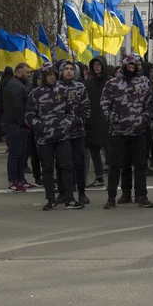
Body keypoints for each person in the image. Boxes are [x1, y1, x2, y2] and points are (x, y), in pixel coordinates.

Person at [101, 55, 153, 209]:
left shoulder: (143, 82)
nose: (131, 69)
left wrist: (144, 120)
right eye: (128, 67)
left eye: (133, 67)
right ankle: (112, 197)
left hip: (138, 132)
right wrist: (113, 119)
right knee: (115, 166)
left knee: (140, 165)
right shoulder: (112, 84)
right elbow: (105, 105)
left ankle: (141, 196)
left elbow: (150, 104)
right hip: (118, 132)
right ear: (123, 67)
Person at [26, 66, 80, 211]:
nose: (52, 77)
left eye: (54, 75)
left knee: (67, 167)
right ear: (44, 76)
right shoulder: (35, 94)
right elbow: (30, 116)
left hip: (62, 136)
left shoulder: (62, 91)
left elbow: (70, 113)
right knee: (48, 169)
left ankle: (69, 199)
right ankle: (50, 199)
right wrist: (42, 129)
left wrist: (65, 126)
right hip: (44, 138)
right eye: (49, 75)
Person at [57, 59, 91, 205]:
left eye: (71, 69)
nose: (69, 71)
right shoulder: (56, 87)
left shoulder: (80, 87)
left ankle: (82, 192)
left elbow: (86, 109)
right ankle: (63, 192)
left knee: (79, 164)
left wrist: (78, 121)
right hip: (60, 134)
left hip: (77, 132)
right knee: (61, 164)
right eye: (66, 69)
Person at [3, 63, 33, 193]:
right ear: (19, 72)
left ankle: (20, 180)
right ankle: (13, 181)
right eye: (27, 72)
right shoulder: (16, 86)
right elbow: (17, 107)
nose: (29, 75)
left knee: (21, 154)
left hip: (17, 124)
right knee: (16, 154)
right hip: (15, 125)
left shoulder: (17, 85)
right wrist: (24, 122)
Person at [84, 57, 111, 190]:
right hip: (92, 120)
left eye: (99, 64)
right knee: (94, 149)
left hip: (106, 120)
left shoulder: (110, 82)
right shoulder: (88, 83)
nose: (96, 67)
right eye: (94, 65)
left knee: (109, 150)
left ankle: (112, 177)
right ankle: (99, 177)